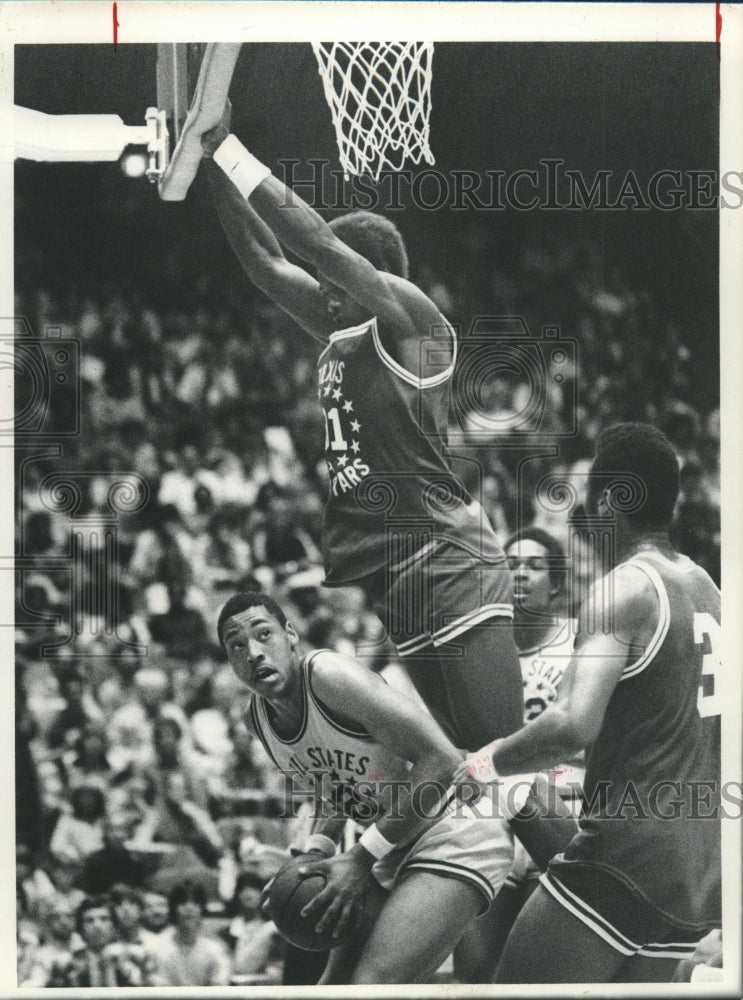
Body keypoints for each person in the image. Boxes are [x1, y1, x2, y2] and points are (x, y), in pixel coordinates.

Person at [201, 103, 523, 754]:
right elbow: (265, 264)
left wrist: (229, 147)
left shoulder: (418, 330)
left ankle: (590, 857)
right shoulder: (343, 333)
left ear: (369, 277)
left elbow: (314, 243)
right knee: (468, 763)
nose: (320, 294)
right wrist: (210, 165)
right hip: (393, 574)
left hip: (446, 555)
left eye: (332, 283)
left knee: (506, 760)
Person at [456, 423, 721, 983]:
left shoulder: (623, 588)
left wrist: (486, 763)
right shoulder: (711, 592)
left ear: (610, 501)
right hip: (700, 869)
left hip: (626, 856)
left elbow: (572, 724)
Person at [216, 591, 525, 985]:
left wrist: (361, 859)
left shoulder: (330, 677)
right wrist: (313, 854)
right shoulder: (256, 720)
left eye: (264, 635)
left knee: (372, 986)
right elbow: (334, 787)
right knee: (332, 988)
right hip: (392, 844)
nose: (254, 653)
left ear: (290, 635)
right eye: (237, 645)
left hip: (457, 826)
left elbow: (443, 761)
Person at [148, 879, 232, 987]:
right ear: (173, 908)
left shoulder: (215, 950)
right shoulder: (156, 949)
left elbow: (220, 986)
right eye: (182, 903)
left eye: (195, 903)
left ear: (202, 909)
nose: (189, 908)